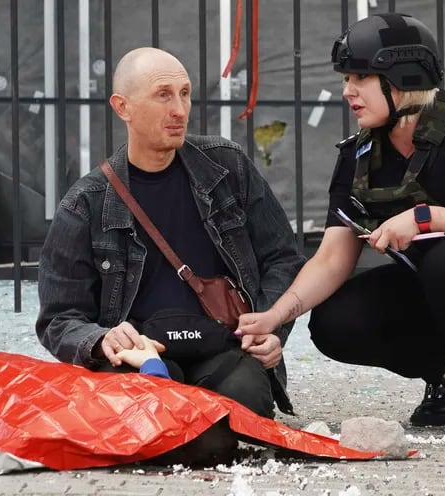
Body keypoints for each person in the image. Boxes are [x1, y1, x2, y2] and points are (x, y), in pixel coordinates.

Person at [235, 13, 445, 435]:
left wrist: (424, 217)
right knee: (335, 320)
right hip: (438, 288)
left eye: (360, 78)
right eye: (346, 79)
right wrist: (276, 316)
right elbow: (331, 259)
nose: (347, 92)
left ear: (402, 78)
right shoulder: (359, 156)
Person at [36, 48, 304, 426]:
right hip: (141, 358)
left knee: (245, 409)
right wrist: (101, 340)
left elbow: (283, 257)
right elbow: (59, 317)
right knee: (148, 419)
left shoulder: (227, 168)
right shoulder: (86, 203)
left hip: (224, 347)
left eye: (185, 93)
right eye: (163, 95)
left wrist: (269, 326)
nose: (180, 110)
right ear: (122, 107)